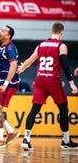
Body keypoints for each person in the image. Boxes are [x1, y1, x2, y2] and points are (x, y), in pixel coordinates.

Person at [18, 22, 78, 151]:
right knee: (63, 109)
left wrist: (22, 67)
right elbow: (65, 65)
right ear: (61, 32)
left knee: (34, 110)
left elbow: (29, 60)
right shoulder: (61, 46)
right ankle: (66, 141)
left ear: (52, 30)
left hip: (40, 79)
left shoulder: (41, 45)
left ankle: (26, 138)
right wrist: (72, 83)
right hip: (53, 80)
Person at [0, 25, 20, 149]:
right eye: (0, 30)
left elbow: (13, 66)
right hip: (1, 81)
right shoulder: (2, 47)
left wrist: (5, 83)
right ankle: (11, 130)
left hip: (8, 83)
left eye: (3, 31)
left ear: (8, 36)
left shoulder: (10, 48)